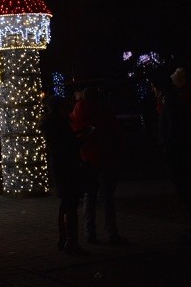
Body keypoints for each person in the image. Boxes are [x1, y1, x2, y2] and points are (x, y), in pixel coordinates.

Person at [69, 85, 129, 246]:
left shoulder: (77, 114)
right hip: (105, 159)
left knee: (89, 197)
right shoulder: (104, 113)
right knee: (107, 198)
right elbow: (116, 135)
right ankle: (111, 232)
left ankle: (90, 233)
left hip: (87, 159)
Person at [40, 94, 89, 255]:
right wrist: (79, 140)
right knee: (70, 205)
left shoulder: (52, 123)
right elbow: (63, 146)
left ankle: (65, 239)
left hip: (61, 166)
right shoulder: (58, 123)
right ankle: (71, 242)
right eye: (63, 105)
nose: (67, 107)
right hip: (66, 167)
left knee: (67, 204)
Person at [153, 64, 191, 243]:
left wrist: (167, 149)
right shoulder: (174, 101)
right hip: (177, 152)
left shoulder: (172, 103)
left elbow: (175, 129)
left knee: (186, 189)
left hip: (177, 154)